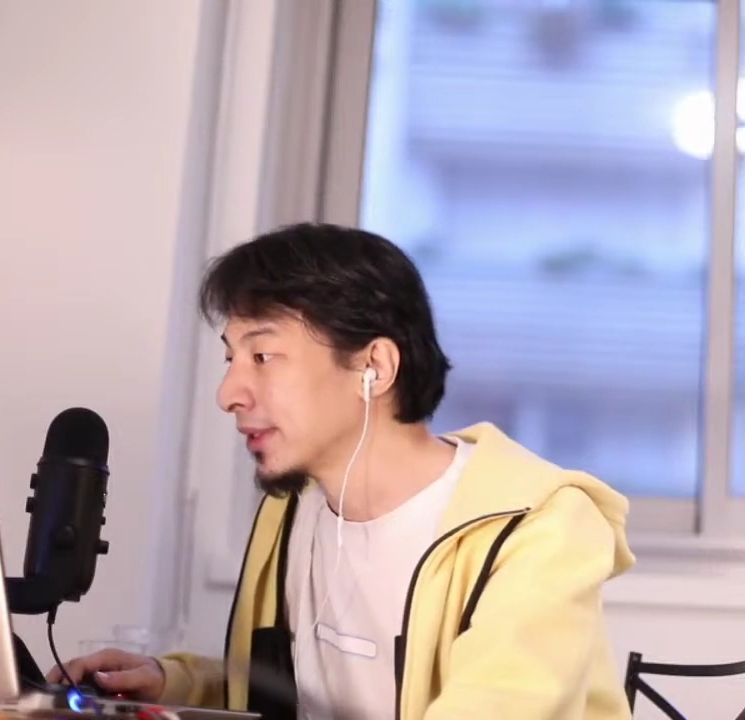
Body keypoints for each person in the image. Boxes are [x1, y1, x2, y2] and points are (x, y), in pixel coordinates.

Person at [49, 223, 636, 720]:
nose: (228, 393)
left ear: (373, 367)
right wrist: (173, 683)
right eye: (231, 358)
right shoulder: (293, 507)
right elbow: (307, 691)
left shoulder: (539, 530)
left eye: (262, 356)